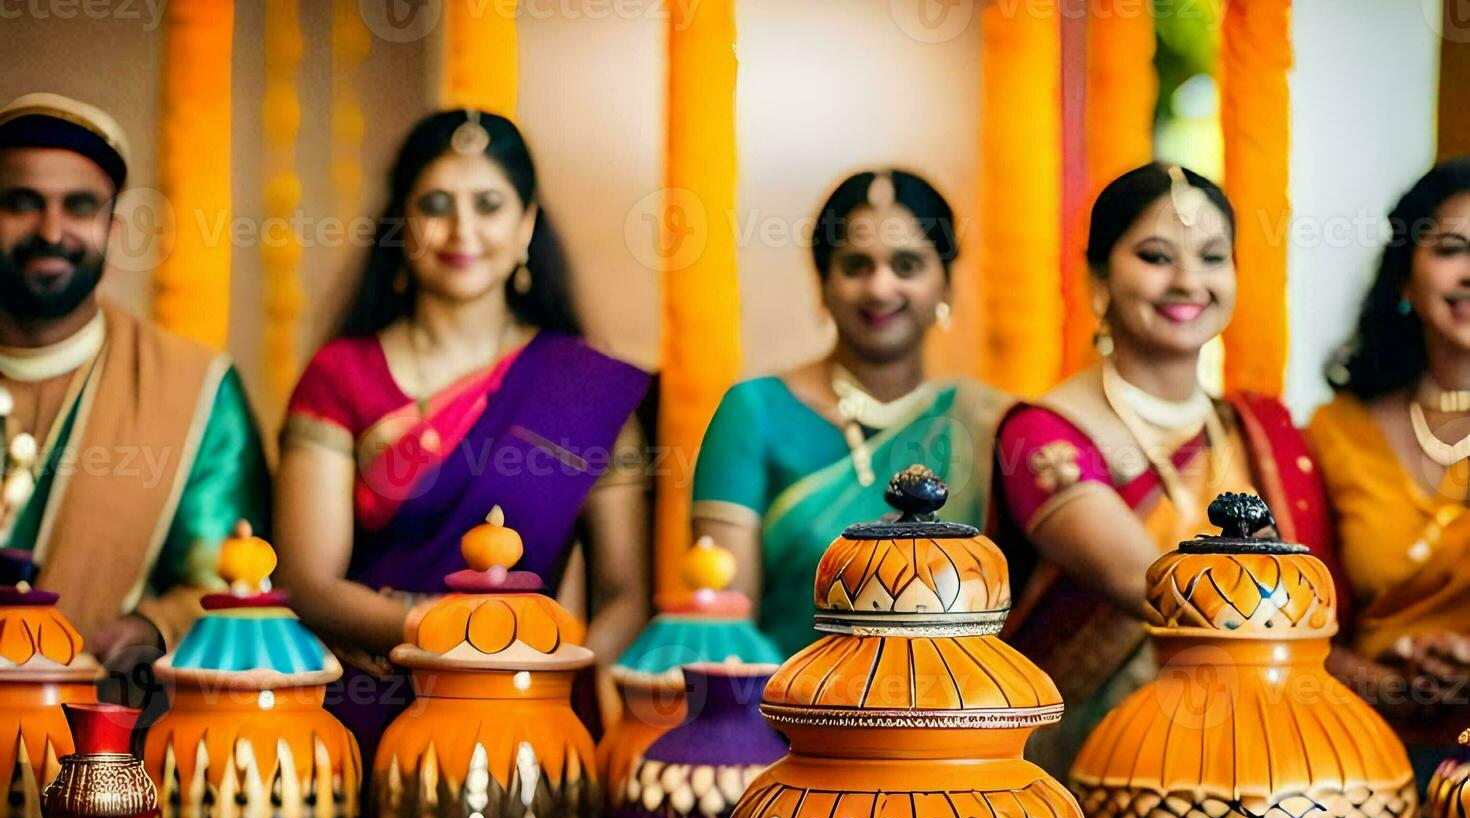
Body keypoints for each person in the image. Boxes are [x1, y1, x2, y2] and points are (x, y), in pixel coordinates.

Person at [274, 109, 651, 761]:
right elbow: (308, 580)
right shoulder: (341, 376)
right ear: (403, 225)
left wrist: (557, 672)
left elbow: (625, 594)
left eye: (489, 205)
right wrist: (441, 631)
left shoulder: (585, 386)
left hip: (535, 711)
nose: (463, 230)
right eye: (436, 205)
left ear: (527, 224)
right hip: (370, 707)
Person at [992, 163, 1340, 773]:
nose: (1188, 281)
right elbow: (1148, 587)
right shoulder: (1045, 433)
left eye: (1212, 256)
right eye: (1156, 257)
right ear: (1099, 280)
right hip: (1089, 770)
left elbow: (1322, 608)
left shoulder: (1260, 432)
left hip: (1258, 762)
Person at [0, 93, 269, 686]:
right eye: (21, 203)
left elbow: (230, 576)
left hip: (103, 747)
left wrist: (154, 625)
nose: (51, 231)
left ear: (113, 228)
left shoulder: (194, 387)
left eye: (79, 206)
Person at [691, 170, 1012, 656]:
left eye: (907, 265)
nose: (880, 288)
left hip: (957, 718)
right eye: (856, 265)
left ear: (946, 285)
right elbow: (725, 634)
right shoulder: (753, 412)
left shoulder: (986, 419)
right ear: (823, 282)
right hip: (789, 718)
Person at [1307, 158, 1470, 747]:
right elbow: (1288, 620)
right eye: (1452, 247)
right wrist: (1392, 687)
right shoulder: (1336, 434)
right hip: (1365, 758)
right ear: (1405, 275)